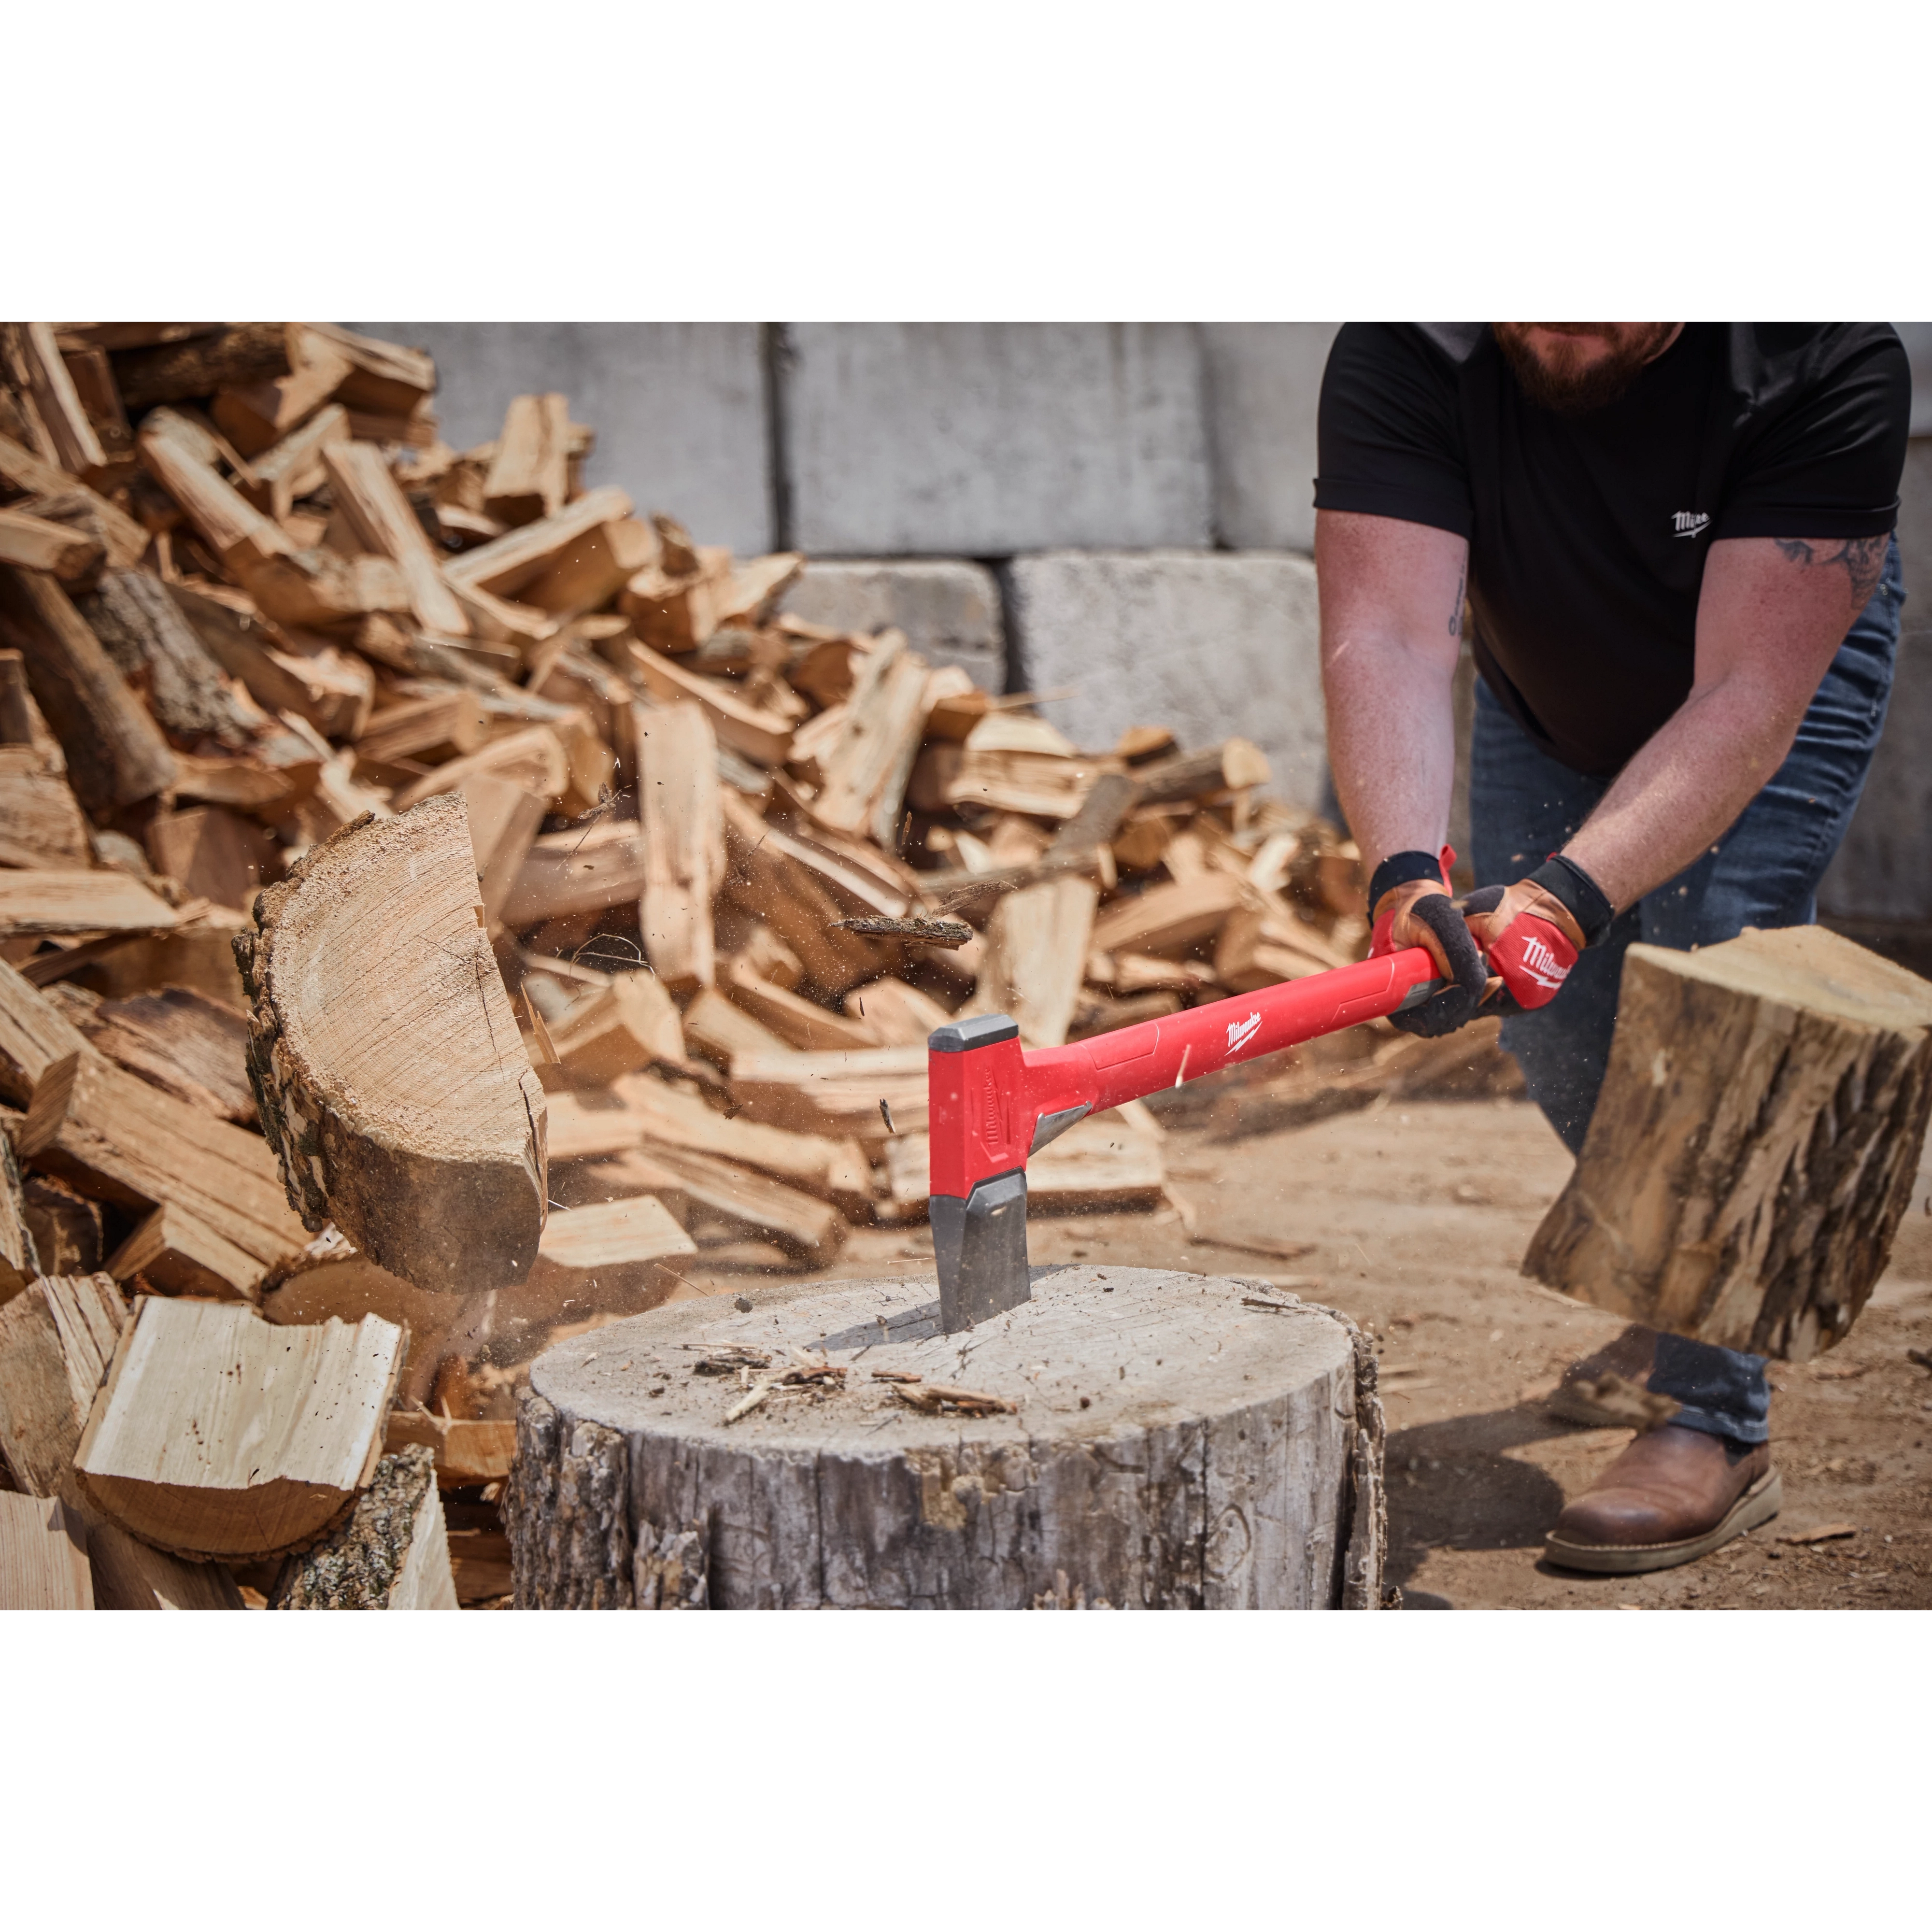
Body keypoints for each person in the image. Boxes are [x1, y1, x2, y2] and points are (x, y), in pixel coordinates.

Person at [1315, 321, 1909, 1573]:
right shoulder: (1410, 344)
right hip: (1543, 679)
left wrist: (1569, 899)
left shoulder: (1820, 356)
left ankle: (1716, 1416)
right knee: (1562, 1031)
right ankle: (1678, 1272)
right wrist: (1409, 877)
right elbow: (1393, 636)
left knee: (1713, 1006)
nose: (1556, 330)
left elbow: (1745, 698)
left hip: (1762, 679)